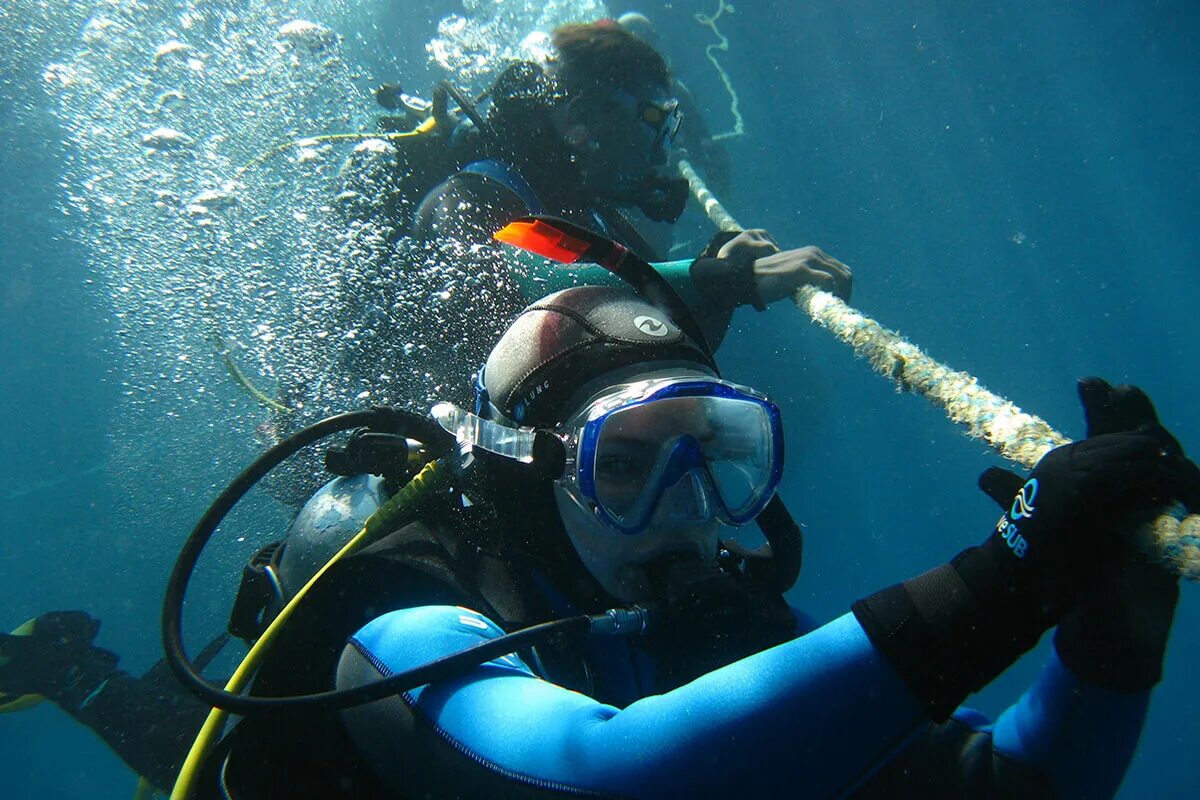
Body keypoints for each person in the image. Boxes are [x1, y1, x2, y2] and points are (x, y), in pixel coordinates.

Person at [2, 280, 1197, 799]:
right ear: (531, 477)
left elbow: (1010, 785)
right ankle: (68, 665)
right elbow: (600, 775)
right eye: (624, 464)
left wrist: (1111, 616)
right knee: (175, 747)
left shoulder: (703, 626)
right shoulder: (405, 610)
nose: (682, 504)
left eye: (715, 453)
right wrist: (1013, 569)